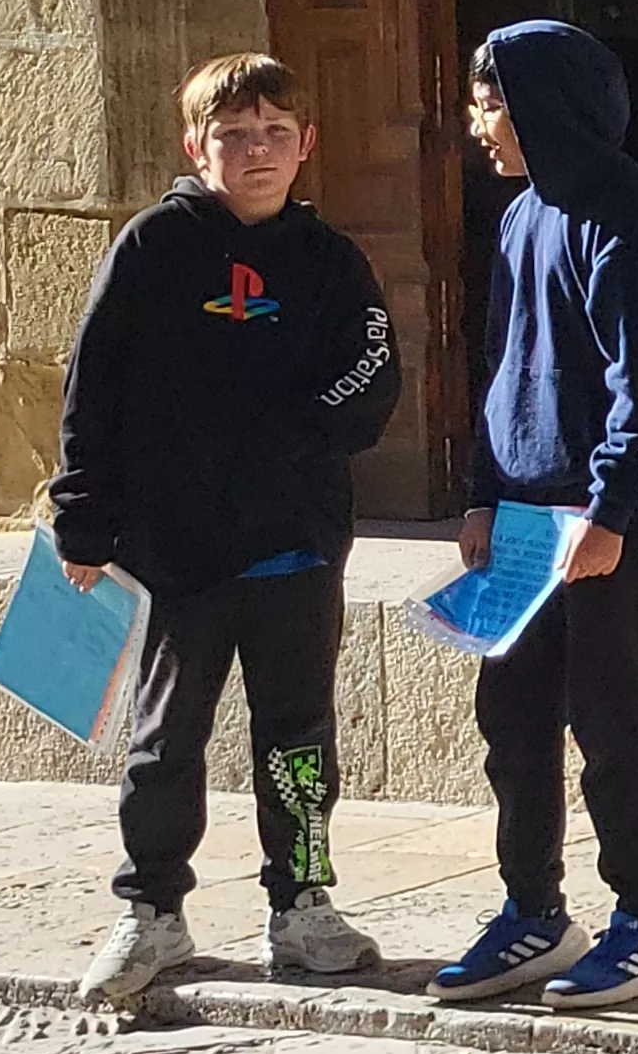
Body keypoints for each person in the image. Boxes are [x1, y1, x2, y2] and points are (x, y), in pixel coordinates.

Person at [55, 54, 404, 1005]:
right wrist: (81, 514)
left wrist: (287, 435)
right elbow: (94, 385)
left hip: (292, 542)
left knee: (297, 737)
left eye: (275, 135)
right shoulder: (152, 247)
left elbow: (371, 375)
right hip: (178, 549)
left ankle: (302, 902)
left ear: (307, 146)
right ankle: (152, 910)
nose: (256, 152)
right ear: (194, 145)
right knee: (167, 738)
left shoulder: (331, 261)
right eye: (234, 135)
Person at [433, 22, 638, 1010]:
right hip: (520, 518)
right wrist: (480, 493)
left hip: (595, 519)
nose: (478, 124)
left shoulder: (626, 214)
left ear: (543, 103)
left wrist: (613, 506)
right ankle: (530, 906)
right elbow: (501, 361)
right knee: (511, 719)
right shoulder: (517, 216)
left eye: (490, 101)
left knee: (613, 719)